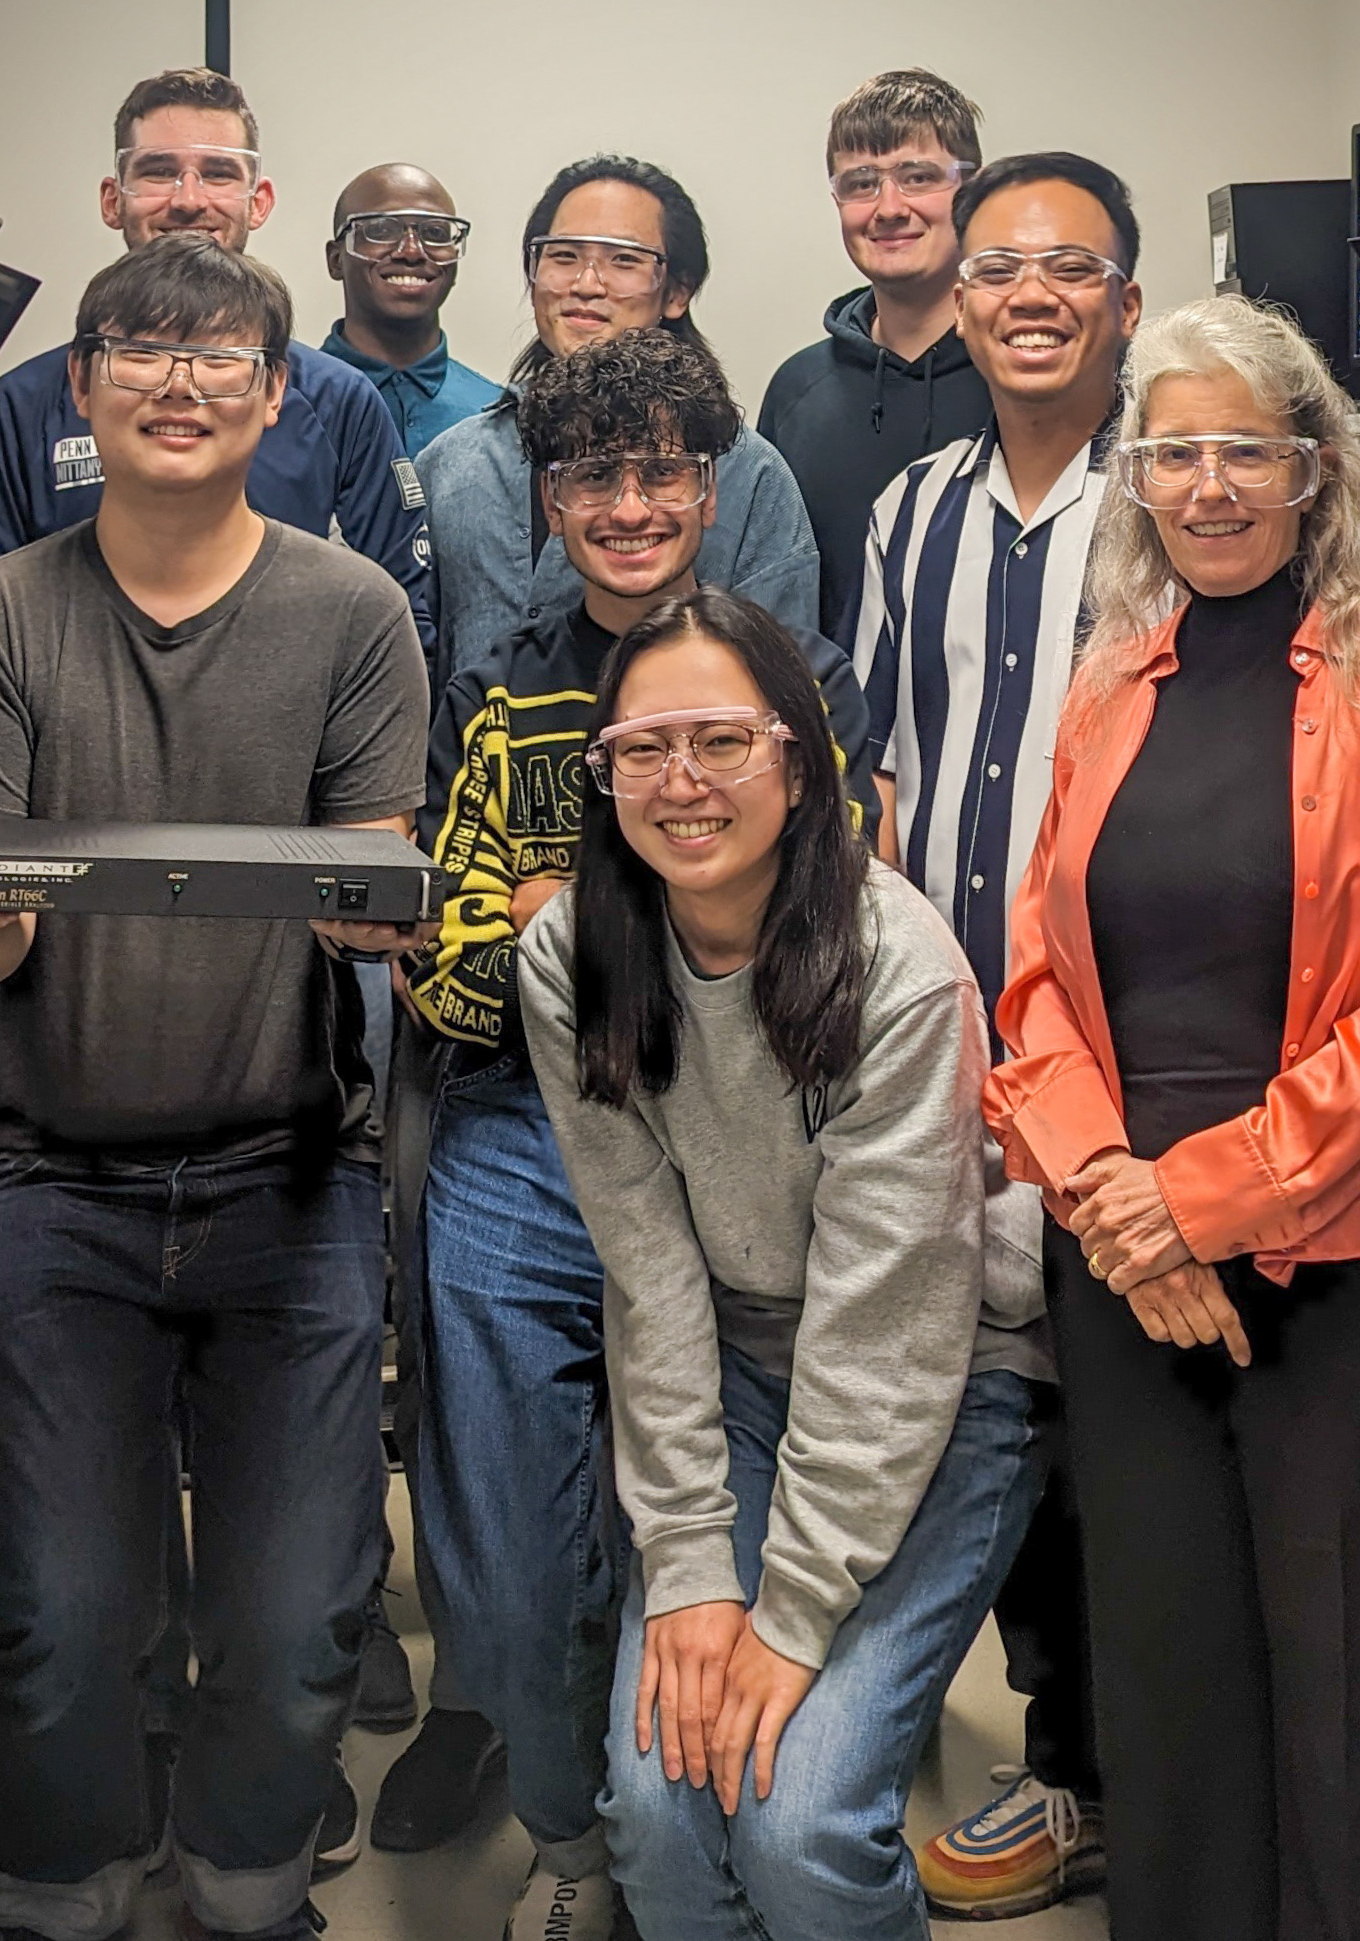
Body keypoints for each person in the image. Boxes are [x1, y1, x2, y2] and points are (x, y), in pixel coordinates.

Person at [0, 233, 430, 1941]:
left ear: (279, 397)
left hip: (290, 1178)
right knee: (55, 1615)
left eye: (218, 358)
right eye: (140, 348)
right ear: (79, 387)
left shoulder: (354, 612)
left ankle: (250, 1885)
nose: (178, 381)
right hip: (54, 1180)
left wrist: (373, 911)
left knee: (290, 1622)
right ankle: (56, 1889)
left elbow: (372, 886)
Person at [985, 294, 1360, 1940]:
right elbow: (1036, 988)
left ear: (1313, 469)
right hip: (1126, 1260)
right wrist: (1110, 1202)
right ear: (1137, 475)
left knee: (1351, 1723)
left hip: (1350, 1268)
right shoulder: (1103, 689)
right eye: (1174, 452)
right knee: (1173, 1711)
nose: (1207, 485)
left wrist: (1199, 1203)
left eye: (1243, 451)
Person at [405, 330, 878, 1941]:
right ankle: (573, 1840)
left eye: (660, 470)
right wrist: (638, 914)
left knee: (709, 1516)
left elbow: (827, 934)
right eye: (592, 475)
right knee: (507, 1546)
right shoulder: (501, 689)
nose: (628, 504)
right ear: (547, 500)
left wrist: (579, 905)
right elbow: (454, 977)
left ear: (711, 486)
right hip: (523, 1139)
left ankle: (719, 1800)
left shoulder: (789, 684)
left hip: (744, 1135)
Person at [514, 587, 1050, 1941]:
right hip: (741, 1372)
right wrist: (693, 1567)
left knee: (799, 1816)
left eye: (720, 742)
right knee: (655, 1800)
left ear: (797, 763)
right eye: (641, 750)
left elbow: (891, 1330)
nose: (680, 784)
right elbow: (647, 1272)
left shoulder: (900, 970)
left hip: (942, 1377)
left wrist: (793, 1610)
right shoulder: (572, 956)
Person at [852, 149, 1142, 1920]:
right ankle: (1055, 1755)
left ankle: (1111, 1766)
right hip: (945, 1037)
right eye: (1000, 268)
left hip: (1124, 1046)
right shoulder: (914, 511)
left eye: (1068, 266)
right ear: (958, 301)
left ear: (1120, 295)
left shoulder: (1171, 500)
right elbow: (880, 773)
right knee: (989, 1405)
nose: (1029, 294)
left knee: (1124, 1422)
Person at [0, 67, 433, 665]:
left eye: (218, 174)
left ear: (257, 201)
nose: (189, 200)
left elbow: (404, 628)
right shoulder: (26, 402)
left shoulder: (338, 401)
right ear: (114, 200)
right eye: (159, 172)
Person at [417, 155, 817, 686]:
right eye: (562, 256)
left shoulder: (750, 472)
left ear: (677, 291)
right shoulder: (451, 463)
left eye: (624, 261)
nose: (586, 284)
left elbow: (787, 690)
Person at [758, 69, 994, 644]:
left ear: (974, 190)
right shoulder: (798, 391)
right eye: (861, 183)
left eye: (918, 177)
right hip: (839, 727)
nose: (889, 207)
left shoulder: (1026, 375)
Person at [319, 163, 504, 456]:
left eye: (435, 232)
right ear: (335, 259)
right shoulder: (286, 400)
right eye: (380, 230)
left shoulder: (497, 416)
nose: (411, 251)